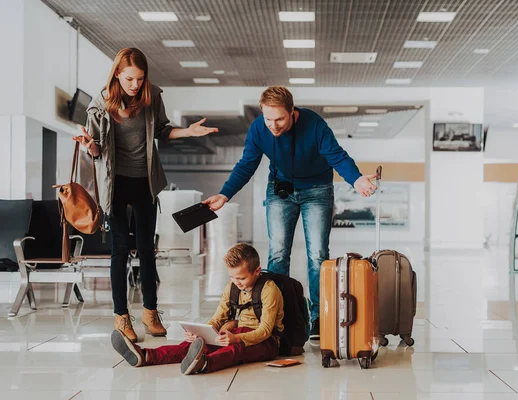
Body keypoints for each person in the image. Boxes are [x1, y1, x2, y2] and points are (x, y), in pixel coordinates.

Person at [203, 86, 376, 340]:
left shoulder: (314, 124)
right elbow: (247, 164)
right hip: (280, 191)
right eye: (268, 118)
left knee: (317, 254)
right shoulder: (259, 129)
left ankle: (318, 316)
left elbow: (337, 157)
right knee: (278, 253)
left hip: (317, 190)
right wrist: (225, 194)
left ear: (292, 112)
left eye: (279, 119)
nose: (273, 125)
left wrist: (356, 180)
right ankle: (278, 317)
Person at [75, 48, 218, 342]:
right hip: (115, 184)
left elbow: (163, 131)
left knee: (146, 249)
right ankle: (121, 316)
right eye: (129, 79)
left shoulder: (151, 96)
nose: (135, 85)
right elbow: (97, 150)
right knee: (119, 249)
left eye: (140, 79)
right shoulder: (101, 103)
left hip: (144, 181)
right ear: (117, 74)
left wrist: (187, 132)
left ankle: (150, 312)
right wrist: (89, 145)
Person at [110, 243, 283, 375]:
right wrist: (201, 333)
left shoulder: (269, 290)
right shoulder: (232, 286)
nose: (236, 281)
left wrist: (236, 338)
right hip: (238, 332)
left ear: (257, 271)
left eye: (241, 278)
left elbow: (265, 331)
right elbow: (218, 318)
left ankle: (205, 364)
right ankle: (145, 356)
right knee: (189, 345)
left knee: (235, 350)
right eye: (232, 276)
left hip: (266, 342)